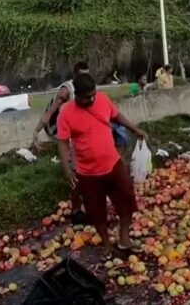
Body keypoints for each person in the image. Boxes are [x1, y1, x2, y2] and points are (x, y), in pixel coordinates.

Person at [57, 73, 148, 251]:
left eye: (94, 95)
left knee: (127, 200)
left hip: (113, 164)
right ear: (76, 95)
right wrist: (67, 169)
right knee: (96, 212)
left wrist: (135, 129)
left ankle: (124, 239)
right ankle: (106, 244)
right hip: (88, 173)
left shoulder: (103, 99)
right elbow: (62, 142)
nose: (92, 99)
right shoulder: (66, 113)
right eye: (87, 98)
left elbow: (117, 116)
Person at [32, 61, 90, 221]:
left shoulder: (88, 89)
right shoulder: (67, 90)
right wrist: (36, 131)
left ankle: (86, 203)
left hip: (82, 132)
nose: (85, 78)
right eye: (82, 75)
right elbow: (50, 112)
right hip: (66, 132)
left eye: (87, 75)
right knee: (75, 170)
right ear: (76, 75)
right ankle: (77, 208)